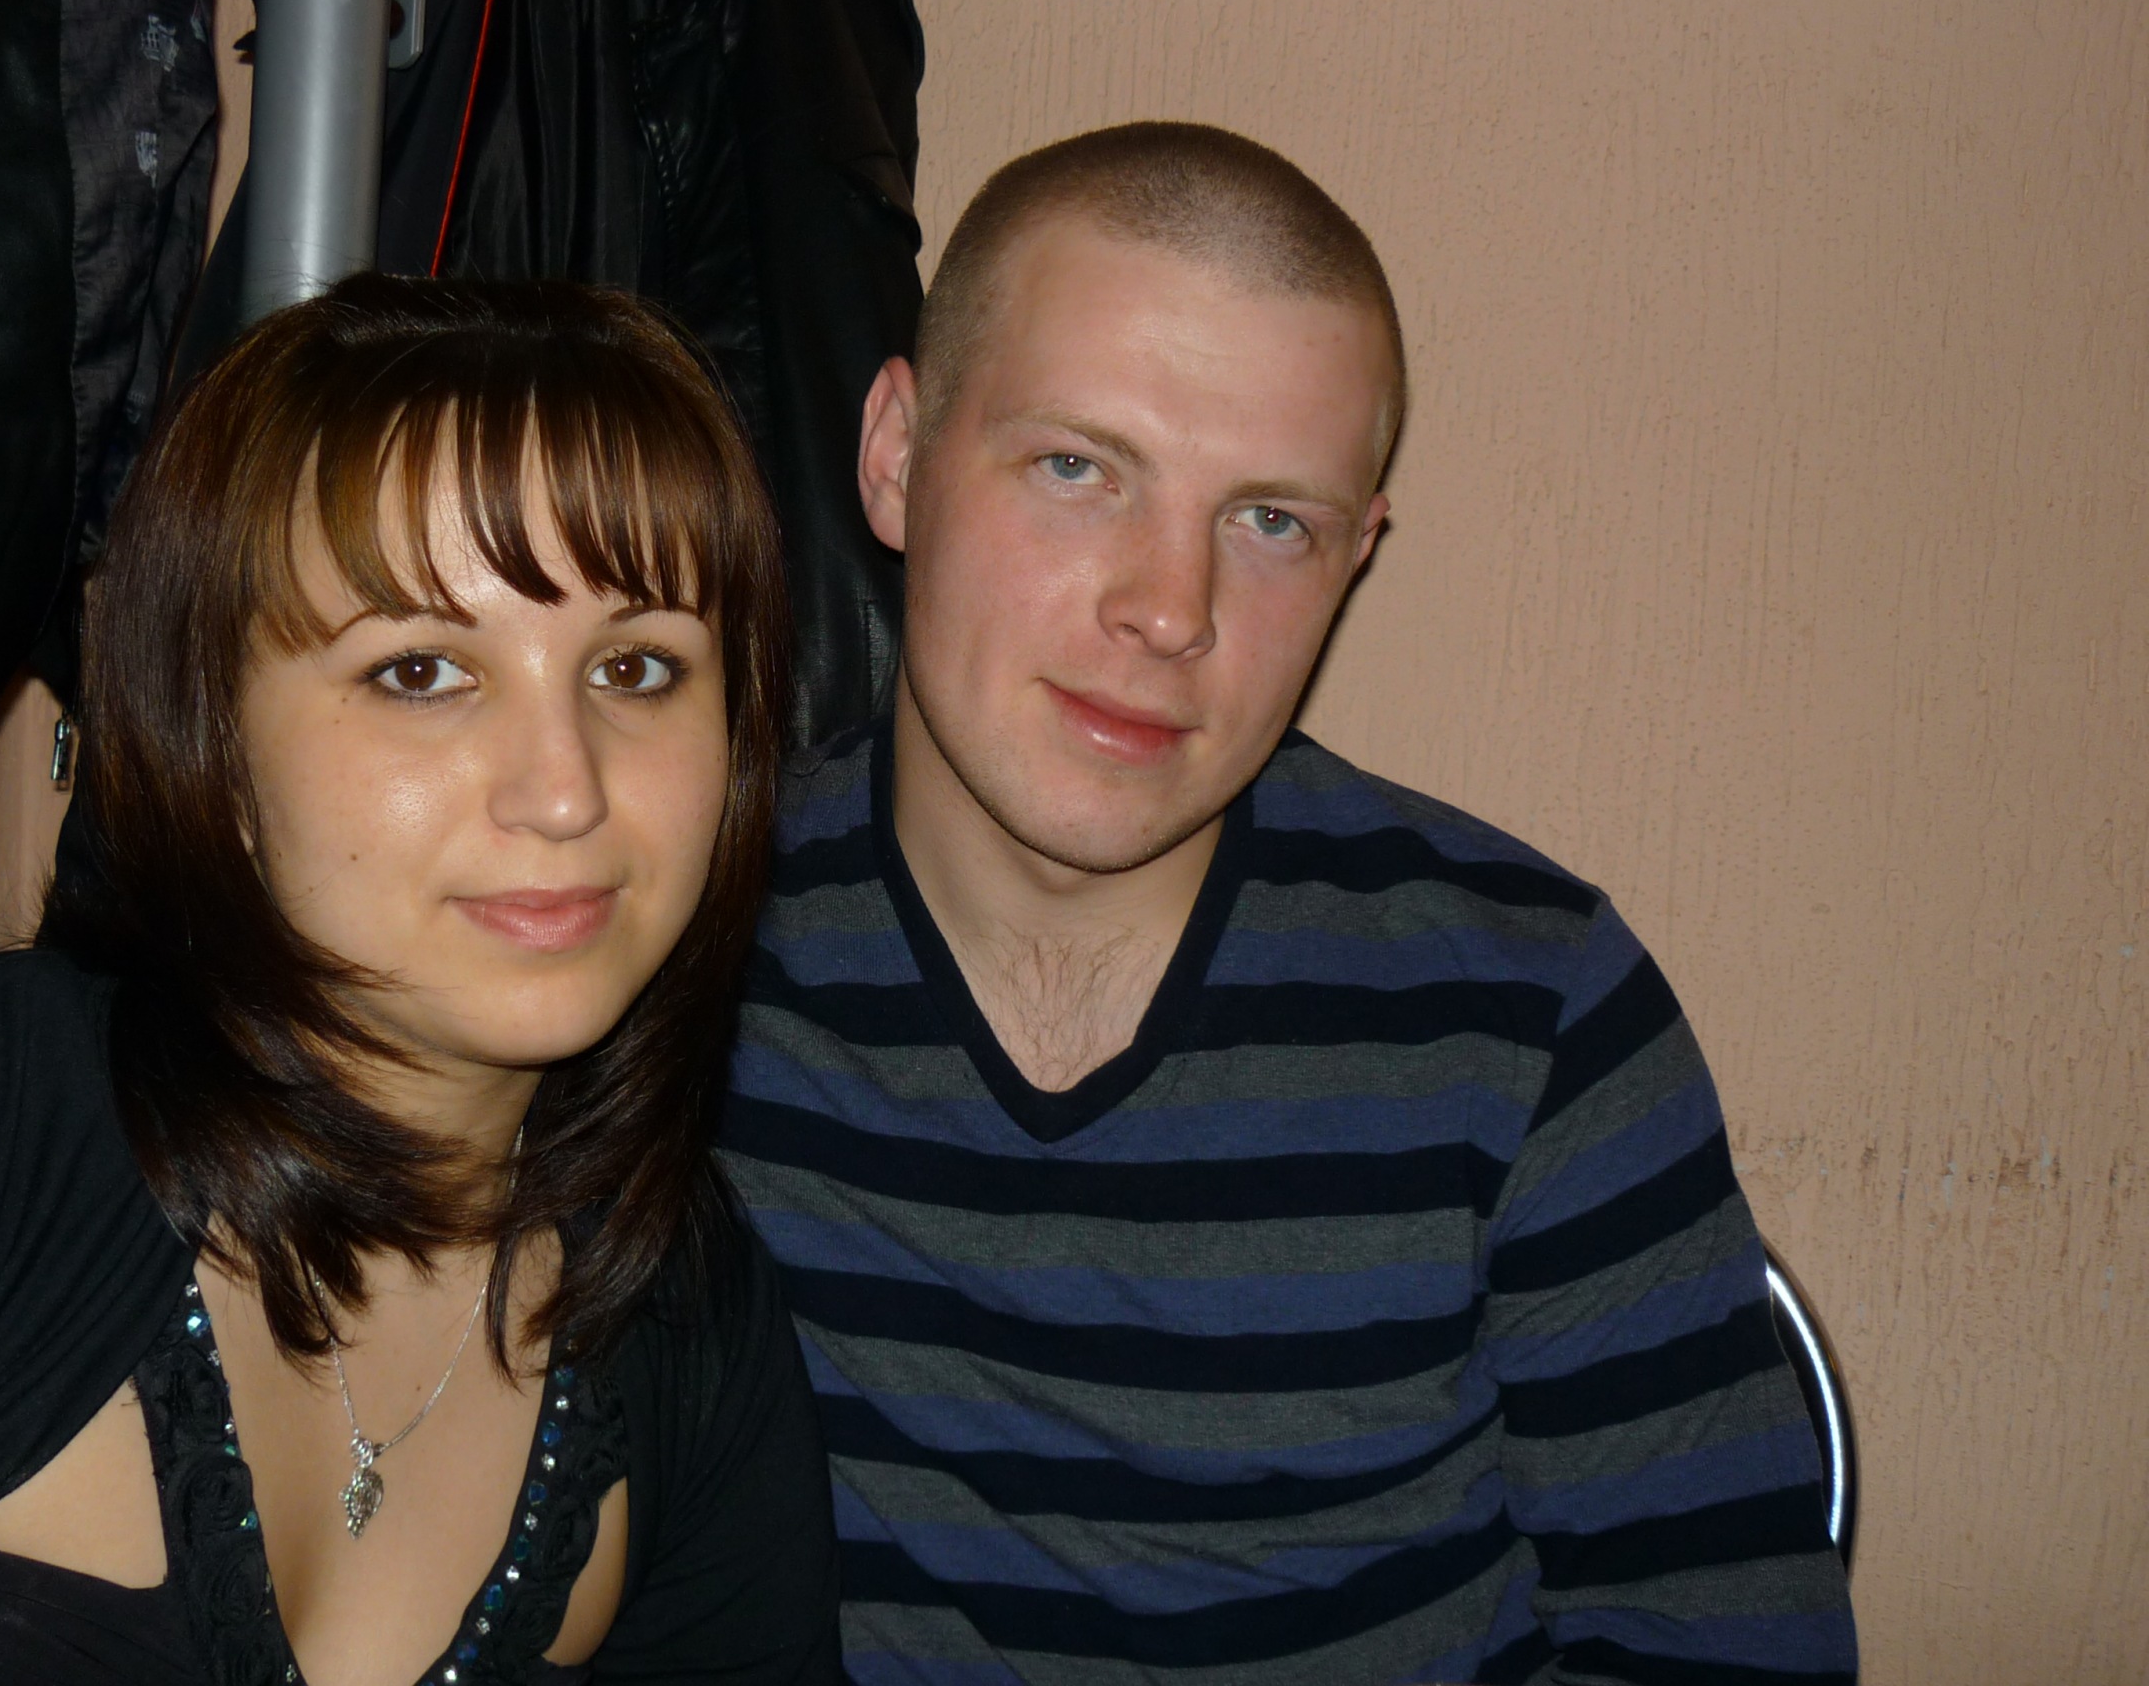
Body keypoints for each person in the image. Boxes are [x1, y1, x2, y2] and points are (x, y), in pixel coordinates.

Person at [721, 123, 1860, 1683]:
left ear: (1357, 554)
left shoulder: (1527, 1013)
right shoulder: (675, 953)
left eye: (1271, 522)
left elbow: (1725, 1643)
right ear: (895, 455)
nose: (1169, 610)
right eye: (1077, 468)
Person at [0, 276, 841, 1686]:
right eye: (420, 671)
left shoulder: (687, 1319)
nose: (565, 791)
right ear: (213, 745)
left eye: (637, 666)